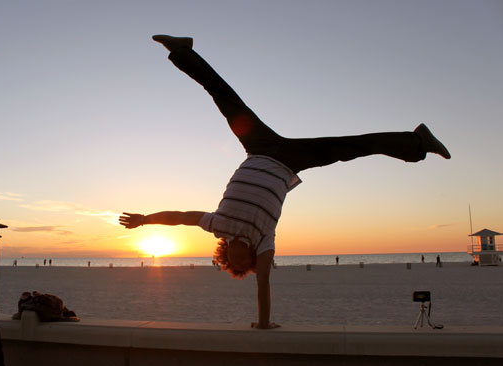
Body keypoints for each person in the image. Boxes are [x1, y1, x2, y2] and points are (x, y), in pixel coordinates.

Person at [119, 35, 451, 329]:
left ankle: (182, 51)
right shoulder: (263, 241)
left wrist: (145, 220)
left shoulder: (218, 225)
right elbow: (263, 283)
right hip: (291, 159)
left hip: (258, 147)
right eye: (242, 262)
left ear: (222, 255)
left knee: (226, 101)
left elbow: (179, 217)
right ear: (249, 258)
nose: (237, 259)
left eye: (231, 261)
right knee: (353, 146)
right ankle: (417, 143)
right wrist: (263, 324)